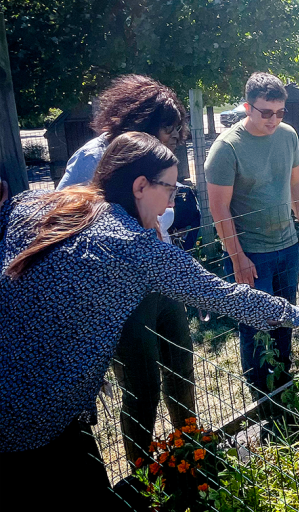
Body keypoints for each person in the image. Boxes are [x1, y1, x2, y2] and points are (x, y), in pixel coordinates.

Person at [0, 132, 299, 509]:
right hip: (32, 420)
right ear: (140, 186)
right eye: (170, 190)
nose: (171, 204)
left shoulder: (37, 204)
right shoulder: (133, 247)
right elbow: (226, 297)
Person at [54, 74, 195, 468]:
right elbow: (65, 219)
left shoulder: (154, 157)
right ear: (139, 122)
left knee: (182, 365)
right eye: (164, 134)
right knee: (141, 388)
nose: (168, 143)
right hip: (120, 293)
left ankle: (192, 453)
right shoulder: (91, 158)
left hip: (160, 276)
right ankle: (143, 476)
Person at [206, 72, 299, 396]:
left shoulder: (288, 136)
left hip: (287, 246)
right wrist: (237, 258)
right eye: (266, 112)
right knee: (256, 325)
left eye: (279, 112)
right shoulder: (227, 148)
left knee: (286, 317)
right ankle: (260, 393)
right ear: (247, 107)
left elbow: (297, 182)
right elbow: (219, 209)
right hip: (251, 253)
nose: (273, 119)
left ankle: (282, 378)